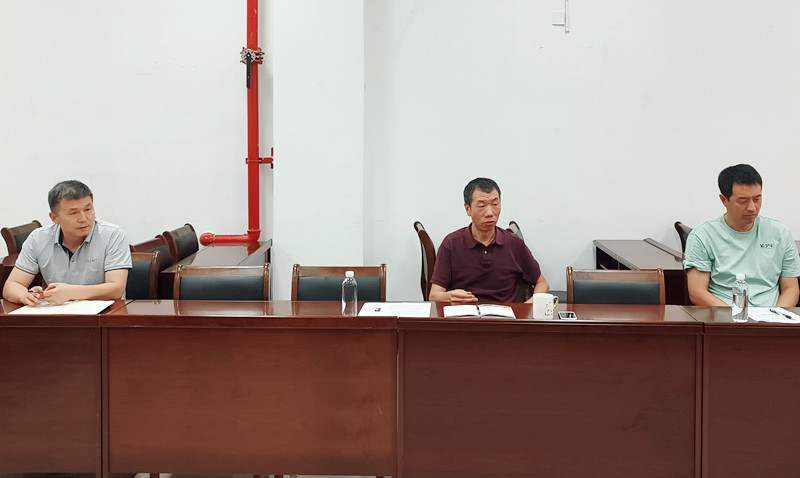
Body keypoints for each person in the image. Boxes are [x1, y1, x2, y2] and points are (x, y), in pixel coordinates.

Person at [684, 164, 800, 307]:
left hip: (771, 315)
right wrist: (737, 316)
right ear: (724, 200)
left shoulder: (779, 232)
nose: (752, 208)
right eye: (743, 201)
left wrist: (776, 315)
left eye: (757, 199)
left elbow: (791, 288)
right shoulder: (703, 235)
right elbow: (697, 292)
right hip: (725, 315)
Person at [3, 180, 132, 305]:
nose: (83, 218)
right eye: (74, 213)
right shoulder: (38, 238)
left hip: (106, 313)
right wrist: (24, 295)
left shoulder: (113, 235)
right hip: (58, 313)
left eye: (88, 210)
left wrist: (71, 293)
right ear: (55, 218)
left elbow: (116, 289)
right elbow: (12, 286)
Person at [429, 177, 549, 303]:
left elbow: (542, 283)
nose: (490, 213)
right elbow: (434, 295)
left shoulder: (514, 243)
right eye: (482, 206)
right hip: (466, 312)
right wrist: (450, 296)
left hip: (505, 313)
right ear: (468, 209)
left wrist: (527, 307)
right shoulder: (451, 244)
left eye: (495, 204)